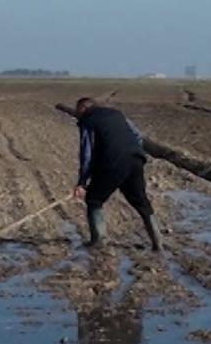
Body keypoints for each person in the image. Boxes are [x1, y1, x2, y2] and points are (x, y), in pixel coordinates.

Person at [70, 98, 163, 251]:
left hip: (113, 163)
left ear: (83, 109)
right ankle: (158, 242)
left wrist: (82, 182)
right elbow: (137, 135)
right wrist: (131, 151)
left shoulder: (88, 121)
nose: (76, 114)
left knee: (94, 199)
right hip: (135, 159)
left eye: (77, 110)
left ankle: (98, 240)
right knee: (141, 202)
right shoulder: (117, 114)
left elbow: (86, 154)